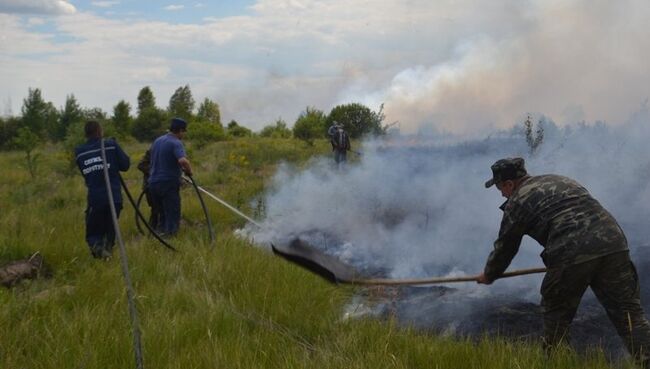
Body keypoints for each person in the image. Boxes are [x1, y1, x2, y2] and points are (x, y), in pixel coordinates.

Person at [477, 157, 650, 365]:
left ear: (509, 183)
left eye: (500, 189)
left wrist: (490, 274)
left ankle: (558, 364)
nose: (503, 194)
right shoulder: (559, 180)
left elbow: (506, 245)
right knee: (629, 314)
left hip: (571, 251)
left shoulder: (517, 200)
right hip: (614, 243)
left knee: (556, 316)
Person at [75, 121, 130, 259]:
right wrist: (116, 149)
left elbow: (85, 173)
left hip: (96, 198)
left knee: (94, 232)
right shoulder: (111, 145)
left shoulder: (80, 152)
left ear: (86, 134)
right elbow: (125, 165)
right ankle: (105, 253)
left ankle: (102, 254)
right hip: (114, 197)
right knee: (110, 229)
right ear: (100, 131)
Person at [147, 117, 193, 236]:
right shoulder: (176, 142)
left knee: (162, 213)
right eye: (184, 132)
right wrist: (189, 172)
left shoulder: (158, 141)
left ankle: (160, 237)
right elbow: (183, 161)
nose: (184, 134)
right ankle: (170, 238)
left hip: (153, 183)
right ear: (180, 130)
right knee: (172, 212)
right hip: (167, 184)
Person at [136, 148, 161, 230]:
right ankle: (153, 231)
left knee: (161, 210)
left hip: (163, 185)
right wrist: (156, 172)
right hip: (150, 186)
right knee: (156, 209)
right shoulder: (152, 151)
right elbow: (141, 165)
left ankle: (161, 231)